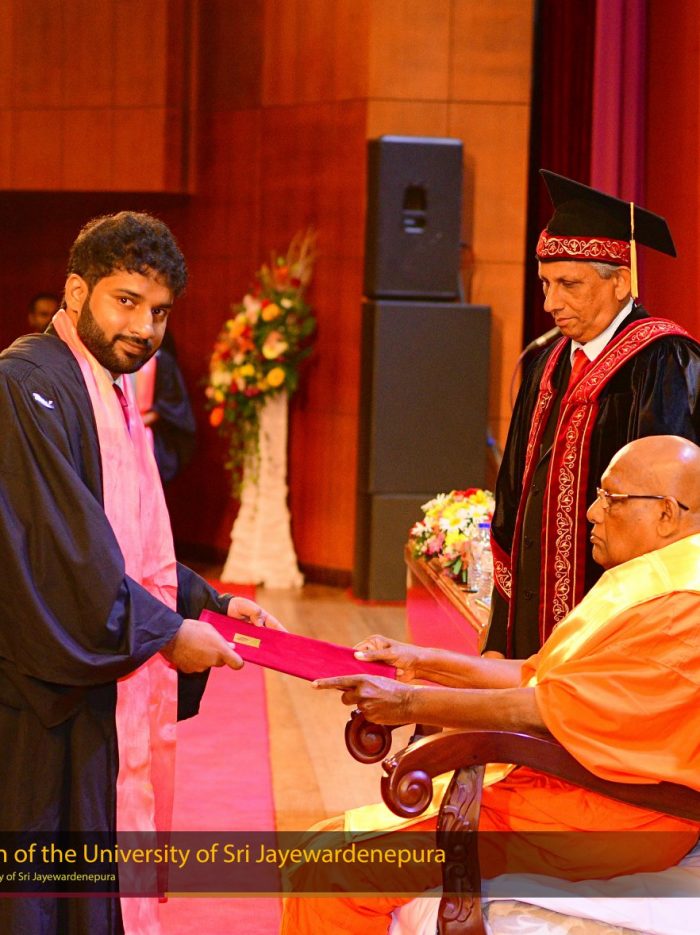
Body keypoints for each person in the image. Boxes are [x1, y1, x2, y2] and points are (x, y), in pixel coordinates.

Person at [283, 435, 700, 934]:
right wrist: (417, 662)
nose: (592, 512)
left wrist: (410, 702)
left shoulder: (684, 609)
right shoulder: (657, 582)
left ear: (666, 513)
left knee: (332, 873)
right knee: (323, 843)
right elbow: (539, 674)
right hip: (570, 791)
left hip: (611, 816)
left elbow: (546, 707)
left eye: (611, 499)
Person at [0, 211, 281, 935]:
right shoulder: (27, 384)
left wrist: (207, 604)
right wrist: (166, 633)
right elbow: (56, 552)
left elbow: (125, 538)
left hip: (91, 683)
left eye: (159, 311)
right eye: (126, 301)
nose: (144, 327)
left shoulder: (108, 384)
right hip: (40, 696)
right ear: (75, 291)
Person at [485, 170, 700, 659]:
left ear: (620, 281)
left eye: (569, 284)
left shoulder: (663, 362)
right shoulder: (546, 364)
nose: (550, 303)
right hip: (530, 620)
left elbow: (666, 522)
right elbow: (512, 497)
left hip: (613, 628)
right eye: (545, 284)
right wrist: (499, 634)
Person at [133, 329, 197, 483]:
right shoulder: (111, 358)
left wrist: (137, 423)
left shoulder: (162, 361)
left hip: (149, 437)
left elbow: (171, 401)